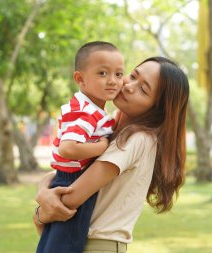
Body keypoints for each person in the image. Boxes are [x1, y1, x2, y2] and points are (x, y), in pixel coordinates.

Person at [34, 56, 189, 253]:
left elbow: (72, 197)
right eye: (132, 76)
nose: (129, 86)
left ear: (157, 109)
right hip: (77, 240)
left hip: (97, 245)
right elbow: (70, 173)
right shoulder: (107, 130)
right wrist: (43, 190)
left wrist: (40, 214)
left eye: (143, 89)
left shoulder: (138, 139)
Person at [35, 41, 124, 253]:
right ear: (80, 79)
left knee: (53, 244)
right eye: (102, 73)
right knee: (67, 245)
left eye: (119, 74)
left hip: (67, 176)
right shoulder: (87, 113)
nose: (112, 81)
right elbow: (68, 148)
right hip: (74, 180)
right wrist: (101, 147)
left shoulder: (87, 108)